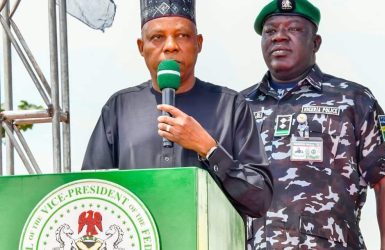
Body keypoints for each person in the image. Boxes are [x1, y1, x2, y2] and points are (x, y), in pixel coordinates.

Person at [82, 0, 273, 218]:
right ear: (141, 47)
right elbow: (92, 194)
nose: (171, 46)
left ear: (199, 43)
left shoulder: (230, 106)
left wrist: (209, 149)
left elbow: (260, 200)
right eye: (157, 37)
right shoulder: (119, 108)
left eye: (182, 36)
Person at [241, 0, 385, 249]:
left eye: (293, 29)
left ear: (315, 43)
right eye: (270, 31)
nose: (279, 37)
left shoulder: (352, 99)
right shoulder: (239, 106)